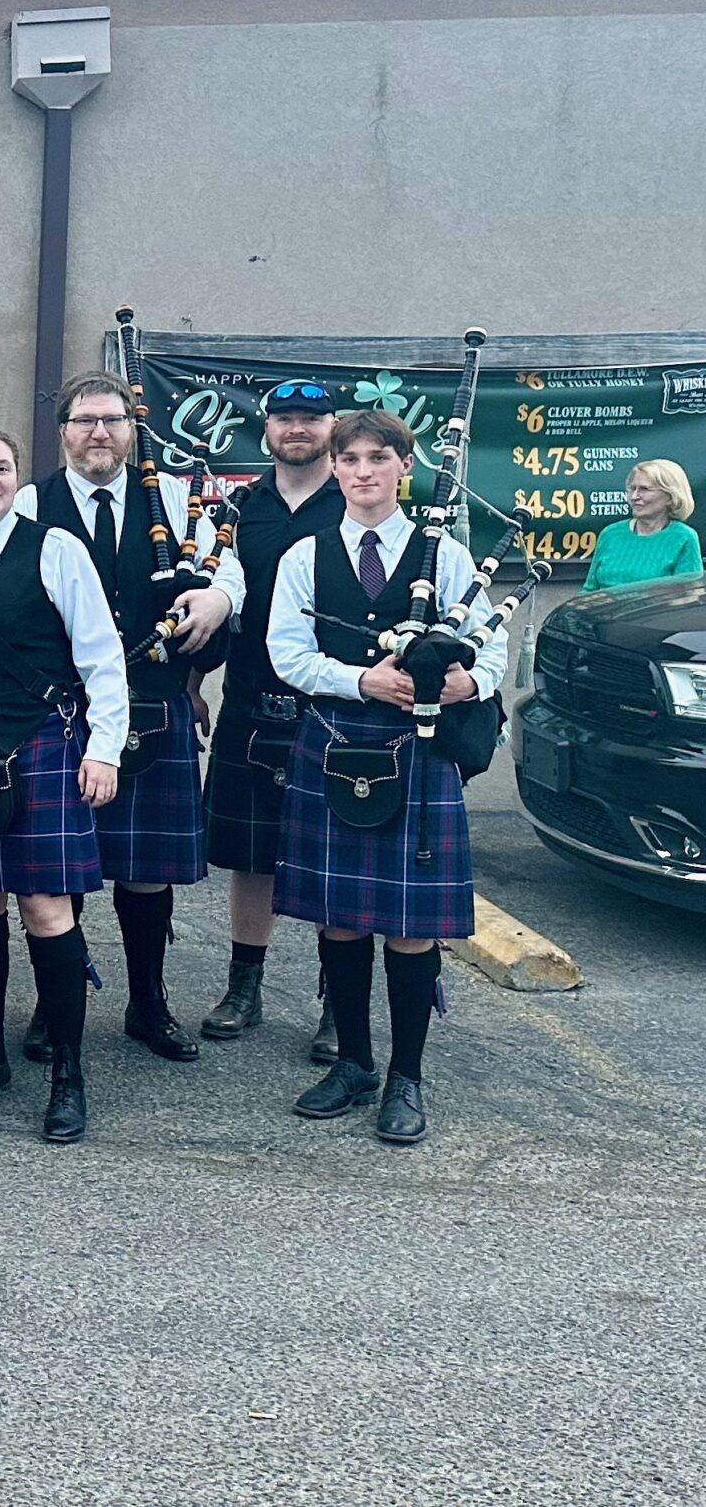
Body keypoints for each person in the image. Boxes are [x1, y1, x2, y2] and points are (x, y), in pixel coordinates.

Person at [267, 410, 508, 1146]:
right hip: (337, 741)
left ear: (406, 465)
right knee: (340, 918)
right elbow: (286, 653)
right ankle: (353, 1063)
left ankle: (407, 1075)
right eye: (351, 459)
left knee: (410, 928)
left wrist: (467, 685)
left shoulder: (450, 555)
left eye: (379, 457)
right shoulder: (305, 556)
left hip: (420, 752)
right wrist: (362, 680)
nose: (364, 471)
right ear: (334, 468)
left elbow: (494, 650)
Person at [0, 427, 128, 1145]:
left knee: (44, 907)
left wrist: (104, 749)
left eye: (2, 468)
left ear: (16, 480)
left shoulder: (56, 548)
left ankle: (67, 1074)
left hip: (37, 745)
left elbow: (101, 656)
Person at [20, 373, 228, 1065]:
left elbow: (226, 570)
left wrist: (220, 599)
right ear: (63, 432)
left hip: (153, 705)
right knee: (62, 872)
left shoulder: (173, 501)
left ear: (132, 430)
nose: (99, 433)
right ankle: (56, 1006)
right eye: (85, 420)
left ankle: (148, 1003)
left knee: (146, 872)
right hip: (61, 712)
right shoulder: (31, 503)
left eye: (112, 420)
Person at [199, 381, 344, 1051]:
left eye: (311, 417)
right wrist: (195, 684)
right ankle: (244, 988)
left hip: (335, 706)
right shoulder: (238, 508)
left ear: (332, 426)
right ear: (267, 429)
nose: (297, 428)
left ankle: (338, 1003)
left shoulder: (354, 502)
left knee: (334, 855)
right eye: (285, 417)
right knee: (251, 857)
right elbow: (215, 598)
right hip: (251, 702)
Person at [586, 460, 703, 591]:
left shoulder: (683, 537)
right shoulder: (610, 534)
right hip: (604, 605)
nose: (634, 497)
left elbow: (689, 595)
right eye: (632, 489)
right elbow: (589, 590)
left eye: (644, 489)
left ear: (671, 497)